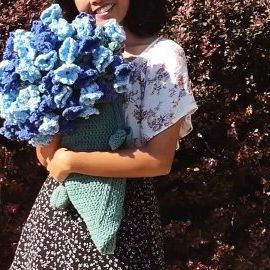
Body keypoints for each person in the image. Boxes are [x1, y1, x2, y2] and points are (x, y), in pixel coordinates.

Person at [9, 0, 198, 269]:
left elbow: (158, 160)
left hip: (124, 218)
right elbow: (46, 153)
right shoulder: (66, 53)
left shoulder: (162, 58)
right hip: (59, 213)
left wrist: (72, 162)